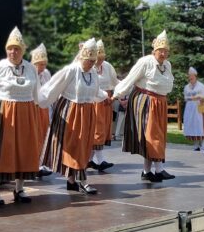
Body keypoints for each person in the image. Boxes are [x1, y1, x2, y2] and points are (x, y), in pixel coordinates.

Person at [0, 27, 45, 206]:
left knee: (25, 150)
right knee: (1, 151)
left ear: (23, 50)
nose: (13, 52)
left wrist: (44, 106)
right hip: (4, 112)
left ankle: (19, 188)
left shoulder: (30, 69)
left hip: (27, 111)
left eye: (17, 48)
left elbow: (38, 94)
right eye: (10, 48)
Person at [39, 38, 104, 195]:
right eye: (88, 60)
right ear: (81, 57)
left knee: (83, 146)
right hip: (70, 111)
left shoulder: (93, 72)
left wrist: (107, 96)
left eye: (92, 61)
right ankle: (82, 181)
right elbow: (53, 86)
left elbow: (95, 92)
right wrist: (40, 100)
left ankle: (72, 181)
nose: (90, 64)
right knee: (74, 146)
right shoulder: (71, 70)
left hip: (87, 112)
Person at [114, 30, 175, 183]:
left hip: (160, 102)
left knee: (157, 136)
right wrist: (117, 94)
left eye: (166, 51)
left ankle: (147, 171)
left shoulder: (167, 64)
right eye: (160, 51)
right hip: (147, 101)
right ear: (154, 51)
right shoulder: (145, 62)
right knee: (152, 135)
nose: (163, 54)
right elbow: (130, 78)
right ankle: (159, 170)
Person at [89, 39, 117, 172]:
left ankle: (89, 160)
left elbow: (115, 81)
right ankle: (99, 160)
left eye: (101, 58)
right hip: (95, 102)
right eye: (97, 58)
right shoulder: (89, 67)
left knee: (104, 130)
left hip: (107, 102)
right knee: (97, 131)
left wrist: (122, 95)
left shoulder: (107, 66)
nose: (99, 61)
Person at [31, 43, 55, 178]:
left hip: (44, 108)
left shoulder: (46, 73)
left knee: (43, 136)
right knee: (33, 136)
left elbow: (50, 89)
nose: (42, 67)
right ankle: (33, 164)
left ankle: (40, 163)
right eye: (40, 64)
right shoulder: (29, 72)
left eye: (44, 64)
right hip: (33, 108)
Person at [182, 67, 204, 151]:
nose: (190, 78)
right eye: (189, 76)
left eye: (192, 76)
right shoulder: (187, 87)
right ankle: (196, 145)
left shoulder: (201, 86)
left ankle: (203, 145)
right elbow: (185, 97)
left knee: (201, 125)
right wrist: (191, 98)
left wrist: (201, 97)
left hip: (200, 107)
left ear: (195, 76)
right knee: (192, 125)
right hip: (190, 108)